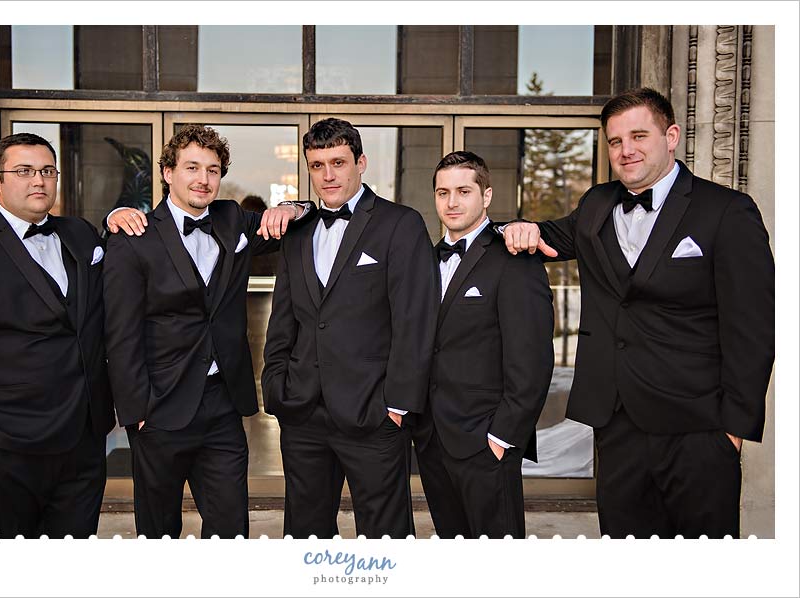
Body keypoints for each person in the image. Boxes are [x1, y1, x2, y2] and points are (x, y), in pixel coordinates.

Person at [502, 88, 775, 538]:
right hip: (617, 423)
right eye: (614, 141)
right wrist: (516, 228)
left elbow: (752, 329)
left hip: (698, 426)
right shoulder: (596, 204)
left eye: (638, 136)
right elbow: (550, 236)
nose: (626, 150)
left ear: (671, 136)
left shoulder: (726, 211)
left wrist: (732, 431)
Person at [102, 125, 313, 539]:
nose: (204, 179)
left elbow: (301, 219)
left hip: (222, 406)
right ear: (168, 172)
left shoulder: (232, 219)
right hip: (160, 407)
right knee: (159, 529)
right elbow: (120, 333)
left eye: (213, 170)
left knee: (231, 527)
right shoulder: (135, 235)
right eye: (192, 167)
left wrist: (291, 207)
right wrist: (137, 411)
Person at [0, 132, 115, 538]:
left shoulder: (81, 234)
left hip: (82, 441)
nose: (39, 181)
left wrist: (120, 217)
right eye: (24, 171)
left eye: (47, 171)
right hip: (5, 448)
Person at [262, 118, 438, 539]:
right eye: (317, 165)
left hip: (374, 413)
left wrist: (396, 406)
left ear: (361, 163)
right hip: (303, 411)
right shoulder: (298, 229)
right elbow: (284, 315)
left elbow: (415, 321)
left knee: (385, 538)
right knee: (304, 535)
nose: (327, 175)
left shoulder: (400, 224)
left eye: (338, 162)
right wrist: (277, 384)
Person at [413, 151, 554, 539]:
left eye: (463, 191)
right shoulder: (423, 260)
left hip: (486, 441)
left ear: (486, 195)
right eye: (443, 193)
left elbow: (533, 360)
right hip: (431, 438)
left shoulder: (515, 260)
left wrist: (502, 437)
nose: (452, 202)